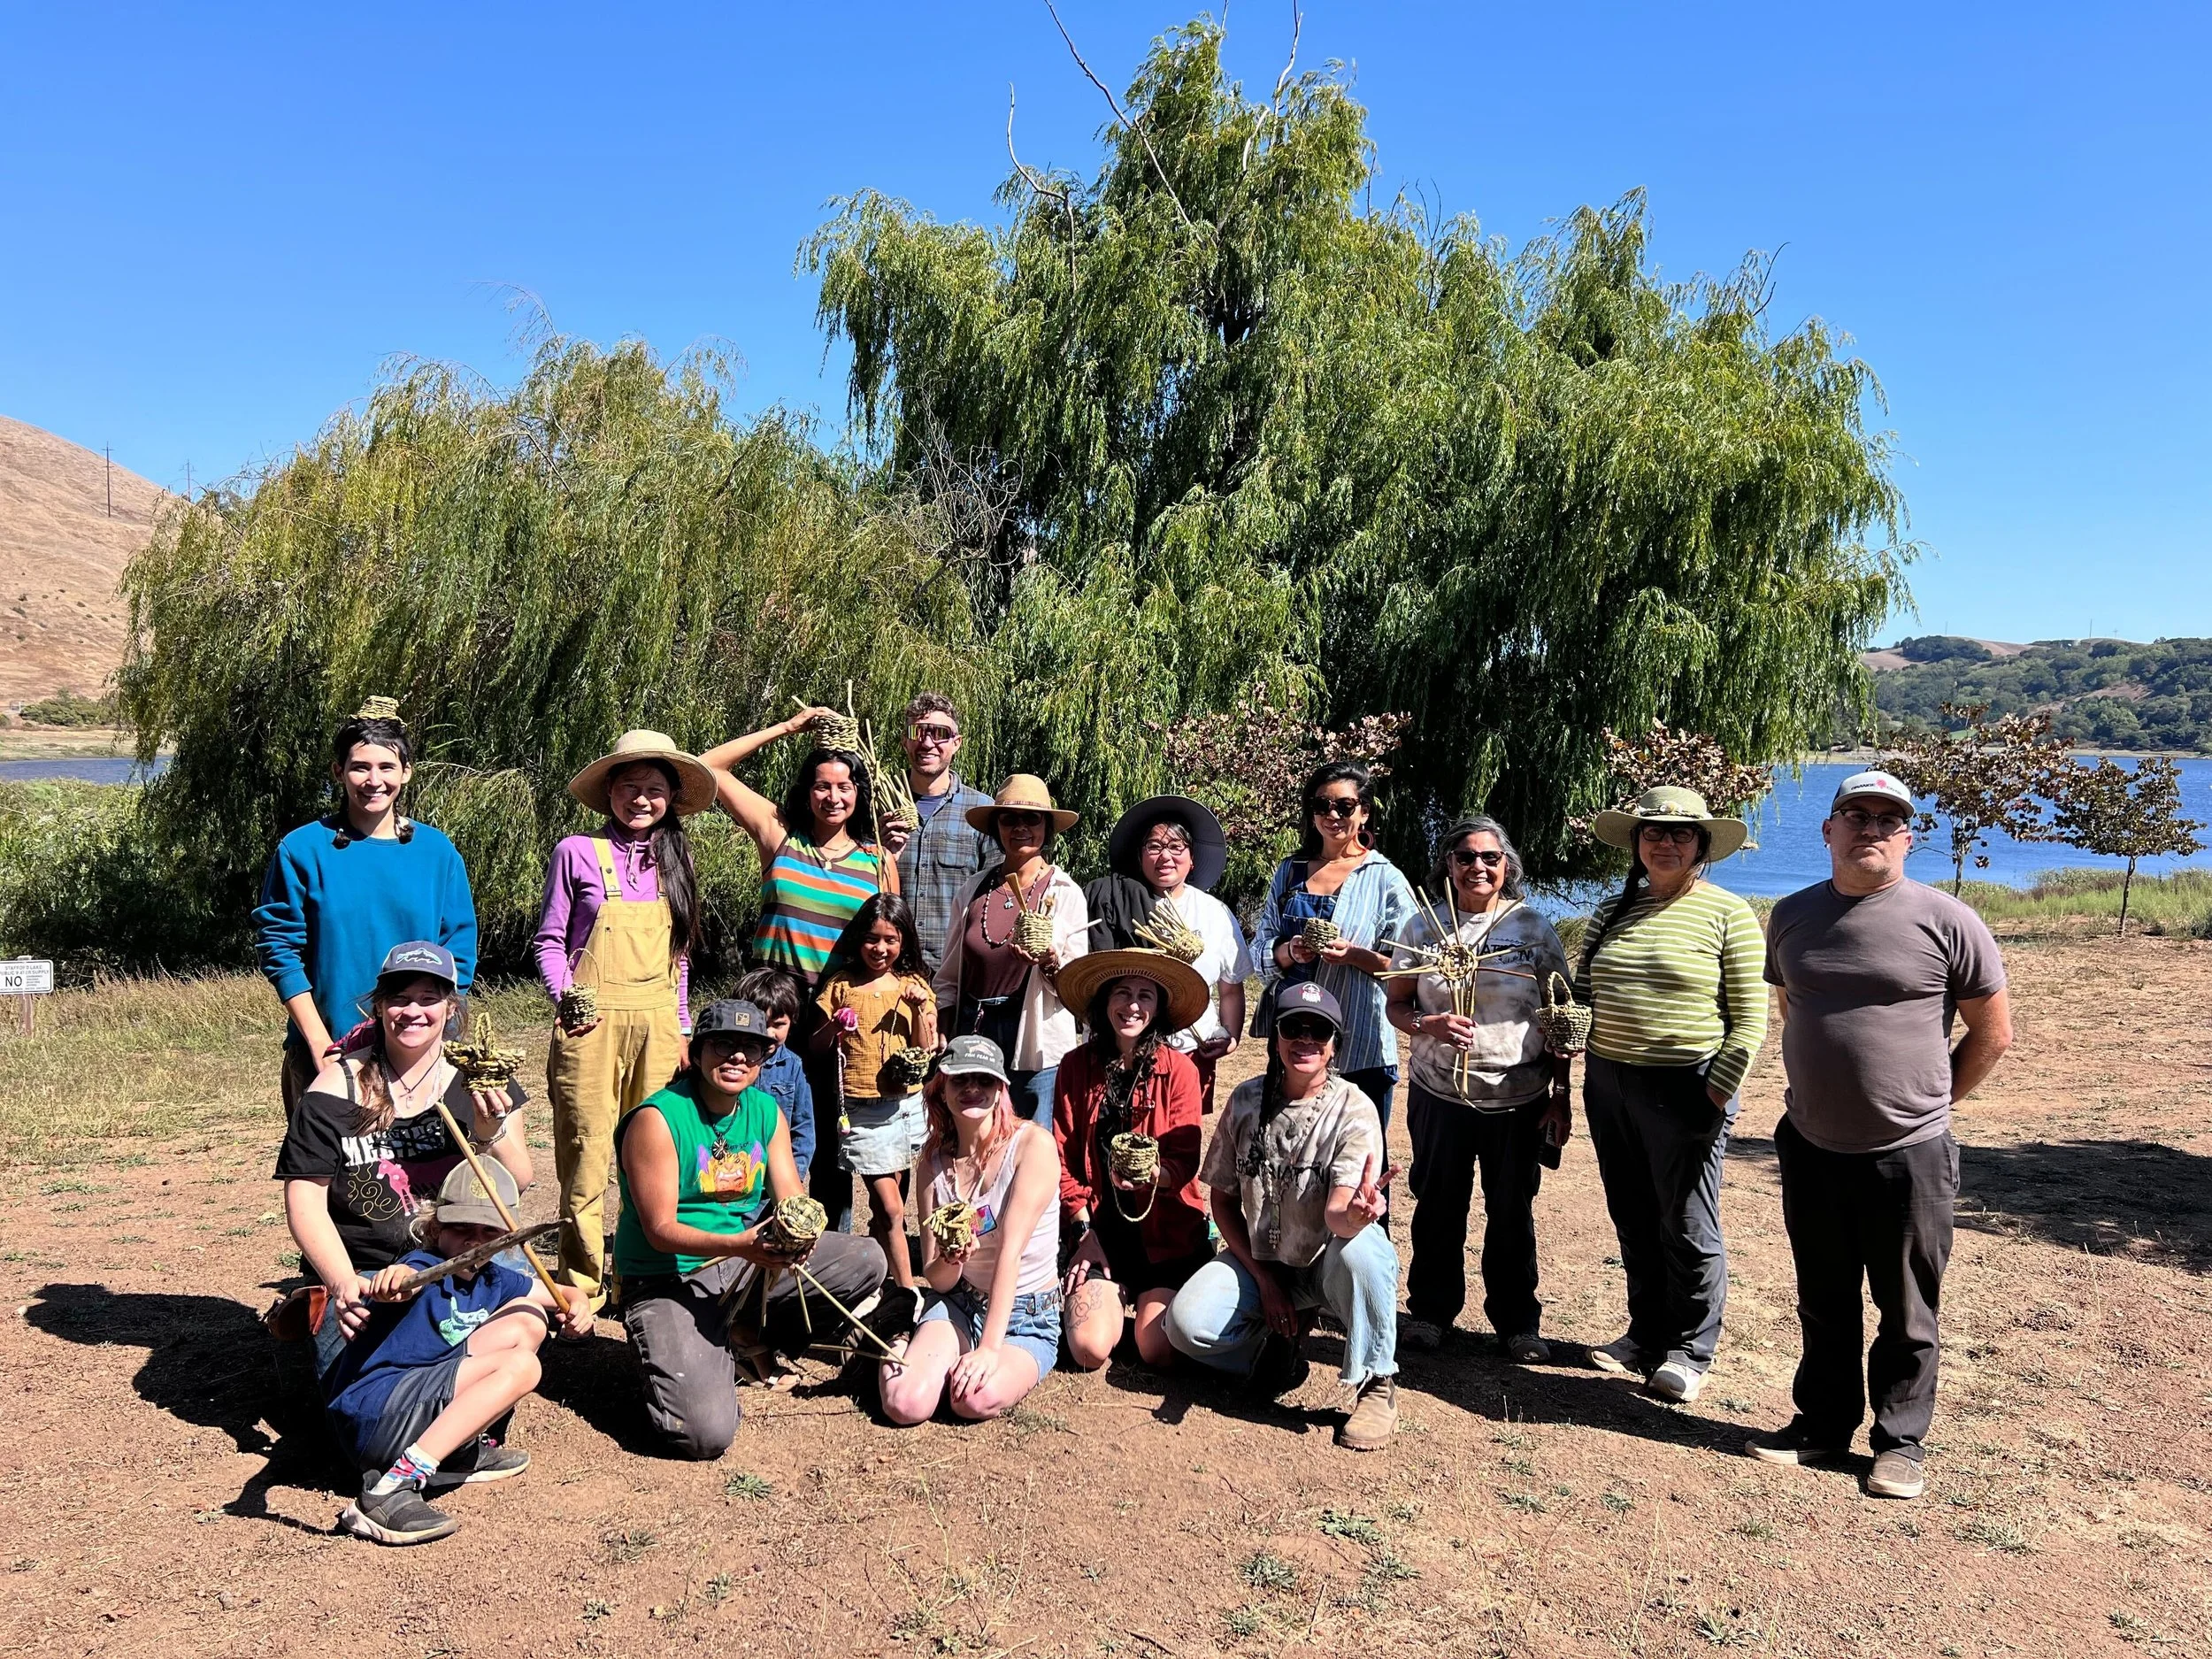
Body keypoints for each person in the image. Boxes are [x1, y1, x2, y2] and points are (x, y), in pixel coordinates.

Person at [1747, 770, 2012, 1501]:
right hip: (1809, 1141)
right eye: (1854, 815)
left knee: (1906, 1306)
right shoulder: (1793, 916)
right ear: (1828, 830)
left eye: (1887, 820)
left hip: (1911, 1150)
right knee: (1823, 1296)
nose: (1870, 828)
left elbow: (1993, 1032)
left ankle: (1899, 1444)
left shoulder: (1948, 919)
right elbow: (1790, 1003)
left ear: (1908, 837)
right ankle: (1822, 1426)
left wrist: (1926, 1104)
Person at [612, 999, 888, 1460]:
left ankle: (740, 1328)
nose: (738, 1057)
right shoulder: (657, 1120)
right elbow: (660, 1230)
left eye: (752, 1049)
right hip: (668, 1276)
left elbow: (792, 1200)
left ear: (765, 1059)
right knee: (705, 1435)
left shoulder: (765, 1112)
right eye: (724, 1045)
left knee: (866, 1260)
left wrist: (799, 1235)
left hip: (742, 1264)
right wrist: (744, 1245)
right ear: (697, 1052)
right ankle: (702, 1347)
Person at [1572, 786, 1769, 1405]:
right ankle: (1646, 1333)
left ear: (1701, 846)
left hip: (1688, 1084)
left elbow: (1751, 1019)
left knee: (1686, 1220)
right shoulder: (1611, 911)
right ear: (1635, 842)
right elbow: (1580, 993)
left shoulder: (1727, 913)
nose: (1665, 842)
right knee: (1633, 1212)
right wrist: (1563, 1024)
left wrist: (1713, 1093)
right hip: (1608, 1081)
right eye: (1653, 832)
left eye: (1681, 834)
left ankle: (1689, 1349)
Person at [277, 942, 531, 1392]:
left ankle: (443, 1397)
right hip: (368, 1272)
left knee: (524, 1326)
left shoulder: (482, 1080)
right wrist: (341, 1283)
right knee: (356, 1387)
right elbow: (305, 1200)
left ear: (451, 1007)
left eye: (429, 998)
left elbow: (518, 1181)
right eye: (399, 998)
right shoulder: (335, 1089)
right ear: (378, 1006)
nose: (413, 1010)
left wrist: (490, 1131)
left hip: (460, 1255)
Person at [1165, 981, 1402, 1451]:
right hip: (1264, 1260)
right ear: (1275, 1036)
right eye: (1293, 1027)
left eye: (1319, 1030)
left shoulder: (1354, 1108)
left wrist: (1355, 1215)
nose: (1305, 1039)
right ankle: (1275, 1348)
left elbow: (1337, 1214)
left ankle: (1377, 1382)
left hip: (1326, 1261)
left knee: (1367, 1252)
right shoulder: (1246, 1100)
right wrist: (1266, 1279)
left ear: (1335, 1044)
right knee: (1185, 1327)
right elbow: (1224, 1200)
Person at [534, 730, 715, 1310]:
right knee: (586, 1154)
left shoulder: (677, 856)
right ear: (609, 790)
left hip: (660, 1025)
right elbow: (550, 943)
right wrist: (569, 998)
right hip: (591, 1025)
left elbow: (679, 954)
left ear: (670, 797)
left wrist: (683, 1025)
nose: (641, 799)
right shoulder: (576, 852)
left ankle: (642, 1275)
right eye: (631, 787)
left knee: (654, 1153)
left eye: (654, 789)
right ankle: (581, 1279)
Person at [702, 704, 899, 1225]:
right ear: (806, 791)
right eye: (822, 785)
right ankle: (747, 1231)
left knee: (833, 1129)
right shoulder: (780, 837)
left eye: (844, 786)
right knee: (757, 1115)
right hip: (770, 1003)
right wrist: (789, 728)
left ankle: (830, 1238)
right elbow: (708, 768)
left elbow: (889, 942)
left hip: (838, 1009)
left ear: (860, 793)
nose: (833, 797)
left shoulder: (878, 861)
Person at [1385, 817, 1572, 1358]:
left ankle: (1517, 1322)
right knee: (1439, 1203)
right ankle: (1430, 1313)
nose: (1478, 867)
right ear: (1449, 865)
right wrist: (1427, 1025)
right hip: (1439, 1093)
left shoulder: (1532, 928)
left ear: (1505, 866)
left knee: (1512, 1209)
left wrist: (1560, 1093)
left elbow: (1561, 1018)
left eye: (1489, 858)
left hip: (1517, 1097)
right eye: (1465, 857)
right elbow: (1397, 1003)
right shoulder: (1422, 929)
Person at [331, 1161, 592, 1546]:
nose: (474, 1242)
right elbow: (402, 1281)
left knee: (529, 1320)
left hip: (417, 1397)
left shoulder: (493, 1278)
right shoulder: (423, 1266)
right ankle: (390, 1488)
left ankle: (453, 1451)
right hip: (373, 1416)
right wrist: (392, 1281)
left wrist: (578, 1304)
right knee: (522, 1366)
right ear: (436, 1228)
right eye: (461, 1229)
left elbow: (560, 1294)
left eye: (489, 1232)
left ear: (506, 1237)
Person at [255, 705, 478, 1110]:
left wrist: (437, 1033)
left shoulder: (436, 851)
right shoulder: (302, 850)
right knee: (330, 1170)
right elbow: (279, 949)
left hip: (421, 1049)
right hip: (330, 1050)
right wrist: (320, 1044)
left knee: (426, 1169)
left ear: (406, 771)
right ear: (338, 772)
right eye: (360, 767)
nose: (374, 781)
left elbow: (458, 950)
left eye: (387, 767)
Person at [879, 1037, 1063, 1424]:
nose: (972, 1089)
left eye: (984, 1080)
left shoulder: (1032, 1146)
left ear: (1001, 1090)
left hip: (1026, 1315)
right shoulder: (933, 1161)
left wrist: (990, 1349)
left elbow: (1010, 1252)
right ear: (941, 1089)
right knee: (904, 1404)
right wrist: (951, 1259)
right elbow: (937, 1277)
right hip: (961, 1302)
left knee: (972, 1400)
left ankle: (969, 1352)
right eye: (960, 1080)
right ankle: (896, 1327)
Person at [1049, 949, 1213, 1371]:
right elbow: (1063, 1157)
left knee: (1156, 1351)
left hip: (1165, 1234)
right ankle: (1111, 1295)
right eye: (1122, 993)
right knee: (1088, 1348)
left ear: (1159, 1009)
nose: (1133, 1006)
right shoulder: (1075, 1067)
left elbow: (1184, 1161)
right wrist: (1083, 1229)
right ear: (1104, 1003)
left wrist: (1155, 1175)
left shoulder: (1180, 1071)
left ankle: (1156, 1301)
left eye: (1146, 996)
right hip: (1101, 1230)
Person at [1253, 762, 1417, 1141]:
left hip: (1360, 1045)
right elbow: (1260, 949)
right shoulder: (1290, 872)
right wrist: (1289, 952)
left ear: (1364, 811)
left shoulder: (1386, 879)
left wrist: (1355, 956)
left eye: (1344, 806)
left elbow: (1410, 970)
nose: (1332, 815)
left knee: (1360, 1164)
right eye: (1321, 805)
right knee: (1288, 1150)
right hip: (1295, 1038)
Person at [932, 776, 1090, 1127]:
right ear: (996, 827)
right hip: (972, 1033)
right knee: (975, 1138)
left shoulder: (1064, 893)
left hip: (1034, 1041)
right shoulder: (973, 890)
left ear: (1047, 827)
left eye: (1031, 819)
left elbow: (1077, 987)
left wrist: (1050, 961)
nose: (1020, 827)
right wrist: (944, 1030)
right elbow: (948, 978)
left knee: (1033, 1141)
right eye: (1009, 819)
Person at [1085, 795, 1248, 1110]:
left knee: (1179, 1143)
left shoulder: (1215, 913)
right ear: (1140, 854)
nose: (1165, 856)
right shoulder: (1113, 903)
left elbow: (1230, 987)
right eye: (1154, 846)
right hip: (1121, 1050)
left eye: (1176, 847)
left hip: (1192, 1051)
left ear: (1192, 858)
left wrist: (1231, 1035)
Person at [812, 895, 940, 1293]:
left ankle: (882, 1272)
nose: (880, 949)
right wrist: (834, 1029)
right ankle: (907, 1293)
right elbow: (814, 1046)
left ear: (904, 943)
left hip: (906, 1108)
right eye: (872, 939)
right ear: (858, 939)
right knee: (891, 1207)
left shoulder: (913, 985)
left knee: (891, 1209)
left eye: (891, 940)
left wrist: (919, 1009)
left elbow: (926, 1047)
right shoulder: (841, 986)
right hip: (861, 1110)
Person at [883, 692, 995, 973]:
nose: (927, 743)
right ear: (904, 740)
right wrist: (881, 855)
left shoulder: (981, 812)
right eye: (917, 732)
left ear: (956, 743)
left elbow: (997, 894)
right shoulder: (877, 808)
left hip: (955, 973)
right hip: (887, 969)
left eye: (940, 734)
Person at [733, 965, 817, 1182]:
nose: (769, 1033)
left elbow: (803, 1132)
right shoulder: (730, 1063)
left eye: (779, 1025)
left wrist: (792, 1180)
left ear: (793, 1021)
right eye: (761, 1023)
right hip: (730, 1175)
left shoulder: (793, 1067)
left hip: (774, 1182)